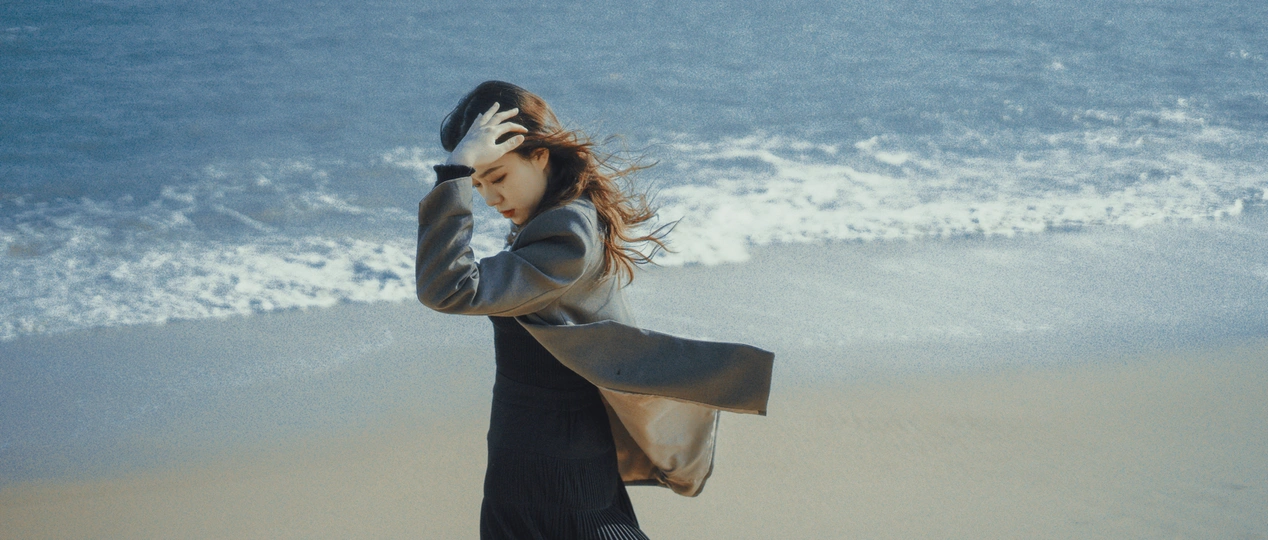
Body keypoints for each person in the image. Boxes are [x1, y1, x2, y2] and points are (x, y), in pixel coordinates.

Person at [416, 80, 774, 539]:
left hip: (558, 476)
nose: (489, 198)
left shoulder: (567, 235)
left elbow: (447, 287)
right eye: (478, 184)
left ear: (539, 155)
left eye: (498, 177)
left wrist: (455, 173)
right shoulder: (556, 218)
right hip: (530, 465)